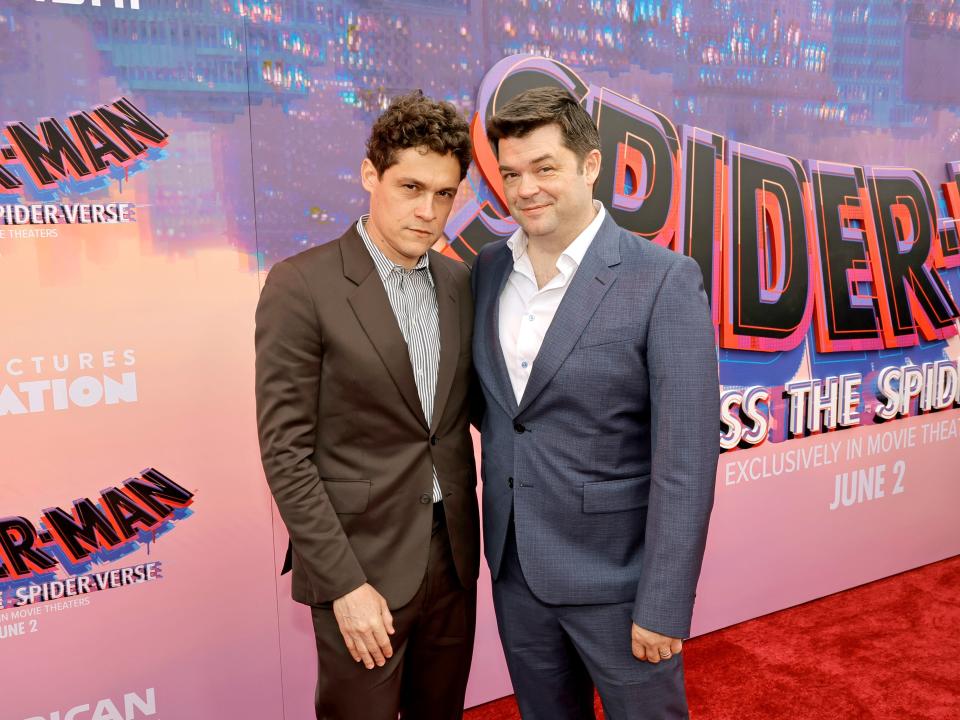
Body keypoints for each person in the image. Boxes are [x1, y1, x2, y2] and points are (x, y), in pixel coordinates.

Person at [471, 86, 719, 719]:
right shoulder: (488, 272)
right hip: (516, 569)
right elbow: (503, 414)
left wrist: (663, 603)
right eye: (511, 174)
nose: (525, 189)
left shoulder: (662, 279)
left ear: (590, 165)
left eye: (545, 168)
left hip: (619, 579)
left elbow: (686, 460)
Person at [255, 91, 478, 720]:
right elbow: (286, 452)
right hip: (359, 560)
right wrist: (343, 584)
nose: (427, 211)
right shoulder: (302, 285)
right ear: (369, 175)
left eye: (444, 194)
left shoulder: (460, 282)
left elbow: (458, 419)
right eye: (410, 187)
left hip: (452, 555)